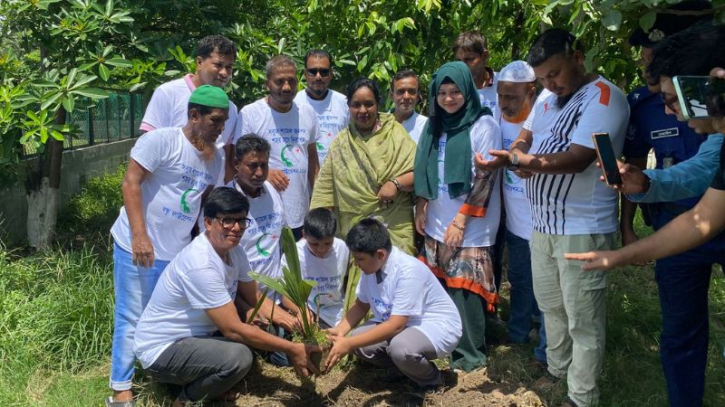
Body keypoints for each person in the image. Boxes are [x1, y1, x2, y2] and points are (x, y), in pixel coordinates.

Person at [566, 22, 725, 407]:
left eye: (673, 99)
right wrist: (644, 187)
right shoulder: (719, 141)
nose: (669, 110)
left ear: (715, 84)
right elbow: (701, 218)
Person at [475, 29, 629, 407]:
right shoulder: (546, 96)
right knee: (552, 308)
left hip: (582, 227)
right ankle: (557, 369)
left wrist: (523, 162)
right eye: (542, 77)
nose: (549, 84)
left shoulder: (604, 97)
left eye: (555, 74)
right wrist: (515, 152)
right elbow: (525, 136)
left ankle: (581, 396)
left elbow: (580, 158)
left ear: (578, 57)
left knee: (583, 320)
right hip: (541, 225)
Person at [133, 187, 319, 407]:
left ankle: (208, 380)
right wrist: (291, 348)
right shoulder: (201, 263)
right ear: (209, 222)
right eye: (227, 220)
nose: (236, 228)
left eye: (242, 221)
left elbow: (255, 296)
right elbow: (233, 329)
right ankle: (186, 399)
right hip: (163, 350)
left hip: (198, 336)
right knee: (239, 357)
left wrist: (293, 321)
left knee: (266, 333)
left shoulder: (235, 251)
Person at [107, 85, 229, 407]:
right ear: (194, 115)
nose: (220, 129)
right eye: (215, 121)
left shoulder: (216, 158)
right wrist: (139, 236)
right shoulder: (162, 140)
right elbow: (130, 182)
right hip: (137, 245)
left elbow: (202, 201)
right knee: (131, 314)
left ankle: (157, 374)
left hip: (175, 252)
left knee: (160, 317)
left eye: (224, 122)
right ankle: (121, 389)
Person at [413, 61, 501, 372]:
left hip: (471, 223)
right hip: (437, 216)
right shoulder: (434, 126)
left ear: (468, 91)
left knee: (465, 288)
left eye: (456, 92)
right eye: (443, 93)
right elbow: (424, 167)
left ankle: (471, 355)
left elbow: (486, 180)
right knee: (443, 285)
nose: (449, 99)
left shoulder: (484, 126)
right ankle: (447, 345)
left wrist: (461, 221)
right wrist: (421, 205)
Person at [325, 218, 462, 390]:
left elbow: (396, 326)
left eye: (359, 259)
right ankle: (404, 370)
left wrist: (349, 344)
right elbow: (361, 305)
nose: (356, 264)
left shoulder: (408, 271)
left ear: (380, 254)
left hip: (433, 325)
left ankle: (434, 381)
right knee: (359, 341)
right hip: (401, 324)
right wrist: (339, 332)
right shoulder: (371, 267)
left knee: (400, 348)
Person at [310, 77, 417, 254]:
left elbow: (419, 173)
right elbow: (325, 190)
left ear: (378, 104)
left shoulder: (396, 133)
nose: (363, 110)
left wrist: (395, 183)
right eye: (356, 105)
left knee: (398, 276)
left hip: (395, 224)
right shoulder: (341, 143)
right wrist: (318, 229)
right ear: (349, 107)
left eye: (369, 104)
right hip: (356, 229)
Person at [227, 134, 302, 366]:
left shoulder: (272, 191)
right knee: (280, 355)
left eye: (264, 165)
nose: (259, 172)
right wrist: (246, 307)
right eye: (252, 166)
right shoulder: (226, 202)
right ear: (237, 164)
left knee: (300, 338)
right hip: (242, 299)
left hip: (276, 297)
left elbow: (283, 246)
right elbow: (221, 270)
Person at [495, 60, 547, 365]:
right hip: (514, 220)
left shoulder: (546, 119)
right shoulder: (497, 117)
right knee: (518, 277)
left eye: (512, 97)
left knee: (544, 283)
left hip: (543, 220)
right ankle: (517, 333)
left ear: (532, 91)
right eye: (501, 95)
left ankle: (543, 333)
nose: (504, 103)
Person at [235, 55, 320, 241]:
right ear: (267, 84)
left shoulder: (307, 113)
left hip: (300, 214)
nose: (286, 87)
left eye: (291, 81)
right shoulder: (250, 114)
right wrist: (266, 173)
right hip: (262, 215)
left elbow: (312, 158)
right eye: (279, 82)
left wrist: (319, 200)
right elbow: (238, 161)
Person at [139, 35, 239, 185]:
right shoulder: (168, 93)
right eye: (218, 65)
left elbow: (227, 158)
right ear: (199, 62)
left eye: (229, 67)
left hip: (209, 199)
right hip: (168, 193)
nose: (224, 73)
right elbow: (147, 149)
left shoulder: (231, 108)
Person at [281, 208, 350, 329]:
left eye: (328, 243)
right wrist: (302, 311)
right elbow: (286, 297)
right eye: (315, 244)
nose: (321, 249)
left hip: (338, 312)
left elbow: (347, 282)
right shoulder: (294, 254)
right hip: (308, 311)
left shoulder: (343, 248)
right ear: (304, 235)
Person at [294, 49, 349, 165]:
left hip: (337, 178)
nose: (318, 77)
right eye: (313, 71)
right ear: (305, 74)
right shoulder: (294, 103)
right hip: (304, 179)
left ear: (331, 74)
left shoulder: (344, 103)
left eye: (324, 72)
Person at [453, 30, 499, 120]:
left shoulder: (503, 84)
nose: (462, 66)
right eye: (459, 61)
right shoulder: (452, 89)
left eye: (468, 59)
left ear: (484, 56)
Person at [390, 69, 428, 143]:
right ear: (392, 96)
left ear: (417, 96)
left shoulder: (426, 126)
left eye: (411, 91)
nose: (406, 96)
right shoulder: (379, 123)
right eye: (400, 91)